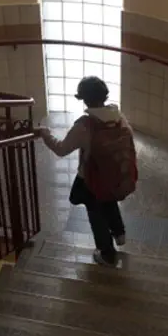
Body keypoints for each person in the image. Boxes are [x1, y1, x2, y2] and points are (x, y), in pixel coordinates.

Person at [36, 76, 137, 267]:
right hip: (115, 175)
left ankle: (107, 253)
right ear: (105, 95)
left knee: (95, 212)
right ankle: (119, 233)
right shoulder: (118, 116)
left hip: (91, 178)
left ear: (84, 99)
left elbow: (61, 149)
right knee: (109, 199)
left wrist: (44, 133)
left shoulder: (85, 125)